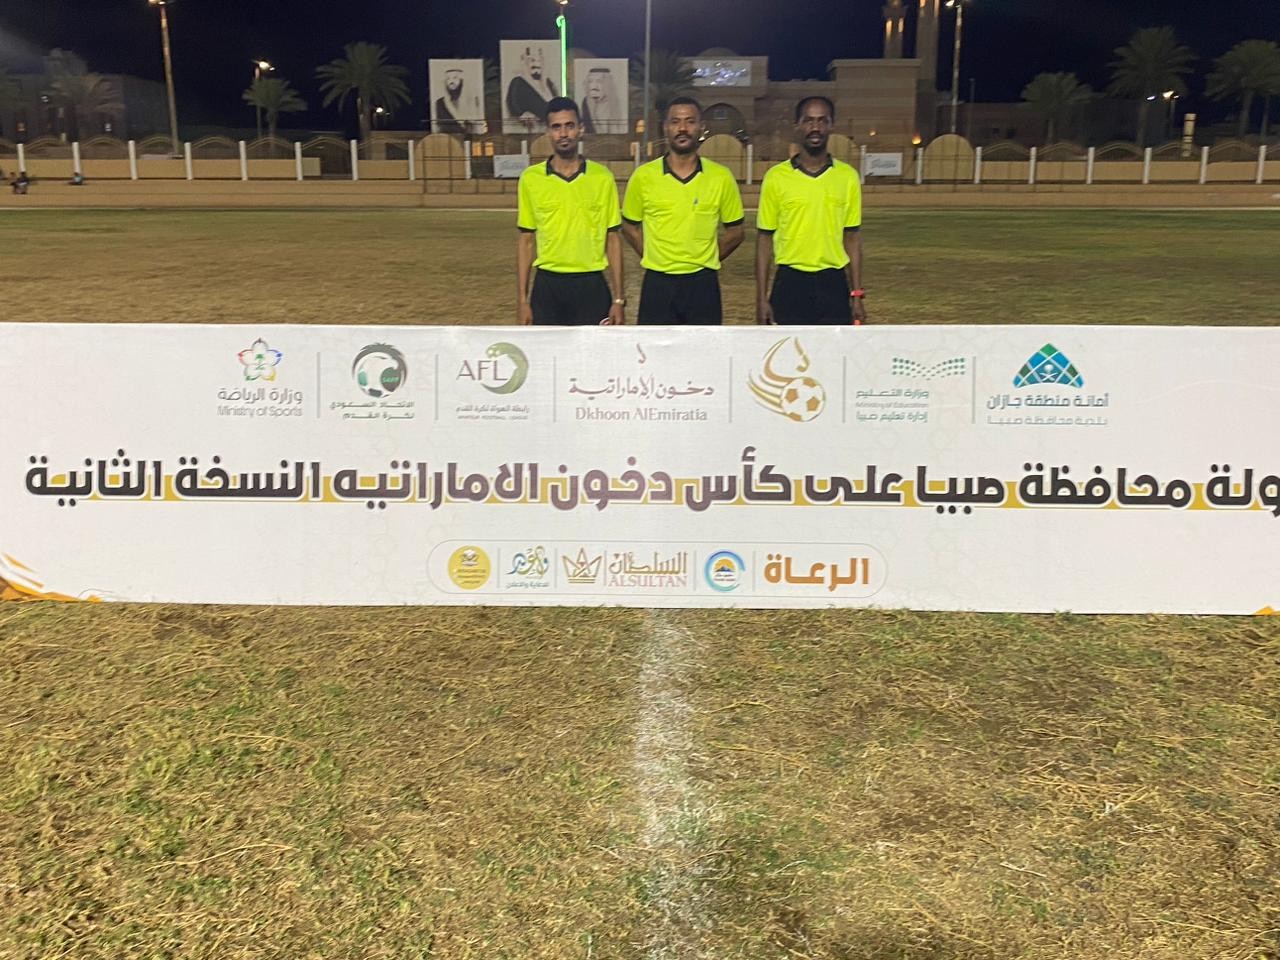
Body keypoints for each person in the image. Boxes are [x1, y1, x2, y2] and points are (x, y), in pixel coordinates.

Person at [621, 97, 745, 325]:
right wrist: (652, 255)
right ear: (665, 127)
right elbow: (629, 227)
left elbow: (736, 232)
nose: (682, 128)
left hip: (703, 284)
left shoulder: (721, 177)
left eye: (690, 121)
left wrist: (705, 258)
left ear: (701, 127)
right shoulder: (643, 176)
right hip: (658, 284)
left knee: (703, 347)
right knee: (653, 347)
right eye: (675, 121)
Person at [516, 97, 626, 327]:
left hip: (591, 285)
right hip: (548, 286)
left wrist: (618, 299)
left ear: (581, 129)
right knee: (547, 350)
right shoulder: (530, 179)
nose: (563, 133)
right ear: (548, 132)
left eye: (569, 125)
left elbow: (613, 240)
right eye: (556, 127)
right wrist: (522, 300)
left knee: (594, 350)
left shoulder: (602, 177)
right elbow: (526, 241)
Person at [755, 96, 865, 325]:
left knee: (833, 348)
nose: (815, 127)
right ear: (797, 125)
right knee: (790, 348)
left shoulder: (847, 177)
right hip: (790, 282)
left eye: (822, 120)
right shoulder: (776, 177)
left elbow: (852, 238)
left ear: (831, 125)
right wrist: (761, 298)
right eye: (809, 120)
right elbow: (764, 240)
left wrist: (856, 294)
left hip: (833, 282)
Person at [505, 47, 557, 128]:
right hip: (528, 129)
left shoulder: (548, 82)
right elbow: (512, 104)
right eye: (532, 60)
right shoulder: (518, 82)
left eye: (539, 60)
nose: (536, 64)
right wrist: (522, 114)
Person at [434, 67, 483, 135]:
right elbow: (439, 127)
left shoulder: (473, 101)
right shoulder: (440, 103)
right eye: (448, 78)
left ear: (462, 81)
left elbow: (476, 125)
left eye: (455, 78)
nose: (451, 82)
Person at [580, 67, 622, 135]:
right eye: (590, 81)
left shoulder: (615, 103)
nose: (594, 86)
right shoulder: (586, 102)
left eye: (599, 81)